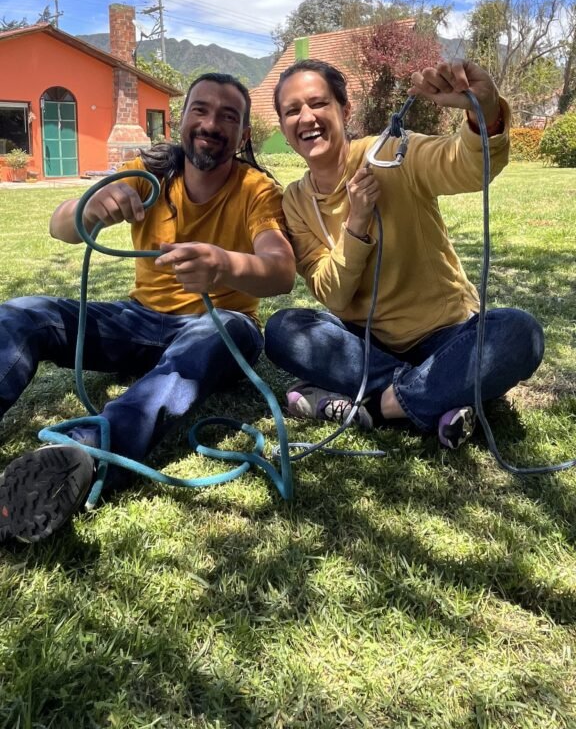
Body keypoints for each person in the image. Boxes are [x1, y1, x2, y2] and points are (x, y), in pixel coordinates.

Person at [0, 73, 295, 543]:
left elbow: (281, 272)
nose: (211, 123)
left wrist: (223, 266)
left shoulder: (256, 190)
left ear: (243, 135)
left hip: (221, 326)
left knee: (207, 341)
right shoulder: (150, 172)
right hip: (138, 320)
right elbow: (61, 226)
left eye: (228, 116)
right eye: (200, 109)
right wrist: (90, 206)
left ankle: (84, 456)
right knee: (24, 313)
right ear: (183, 119)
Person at [264, 58, 544, 449]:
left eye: (318, 103)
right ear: (282, 126)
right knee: (283, 330)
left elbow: (466, 166)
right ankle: (439, 392)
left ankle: (378, 407)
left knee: (519, 333)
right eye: (292, 110)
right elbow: (334, 296)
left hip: (445, 335)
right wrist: (356, 223)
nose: (307, 117)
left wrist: (486, 110)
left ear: (345, 110)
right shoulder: (295, 200)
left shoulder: (392, 153)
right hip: (365, 344)